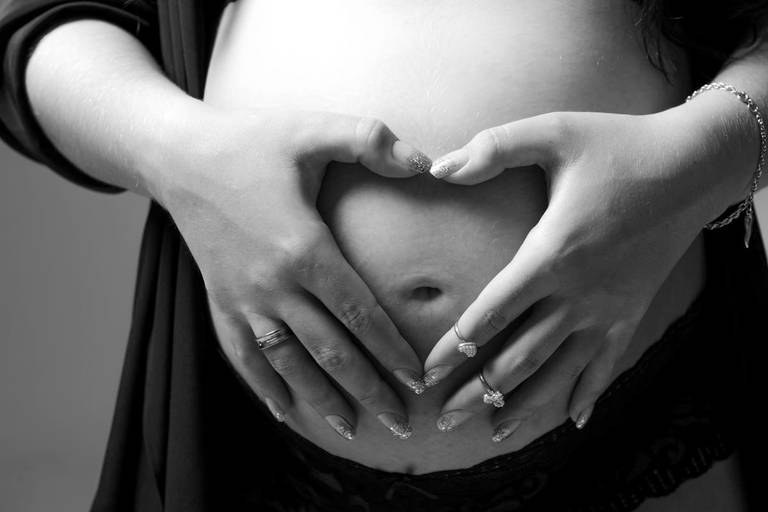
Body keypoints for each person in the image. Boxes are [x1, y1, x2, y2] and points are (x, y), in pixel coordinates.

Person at [1, 1, 766, 510]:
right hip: (256, 436)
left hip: (643, 404)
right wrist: (175, 154)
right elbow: (31, 22)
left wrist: (704, 157)